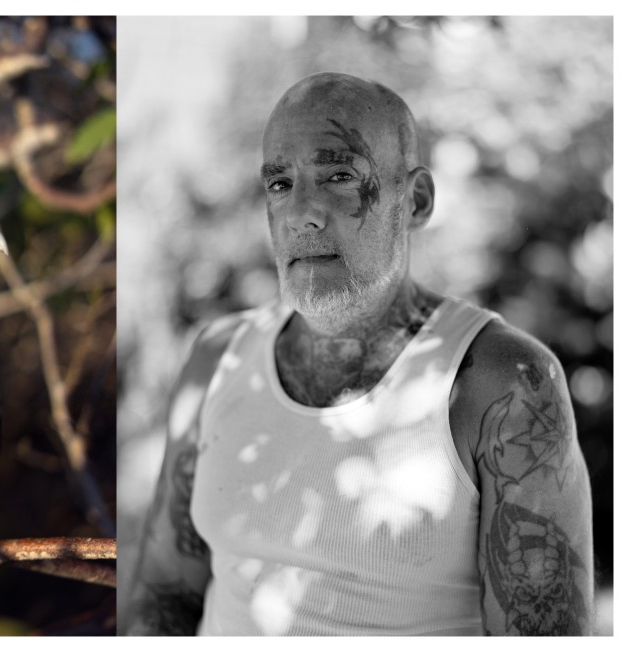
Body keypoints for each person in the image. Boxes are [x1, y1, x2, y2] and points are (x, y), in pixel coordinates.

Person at [122, 72, 594, 636]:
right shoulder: (216, 360)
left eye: (340, 175)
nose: (302, 212)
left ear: (415, 200)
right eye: (280, 184)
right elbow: (164, 595)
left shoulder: (502, 382)